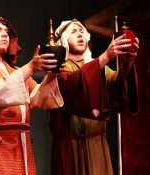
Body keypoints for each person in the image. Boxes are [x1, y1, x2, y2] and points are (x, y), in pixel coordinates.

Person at [0, 16, 64, 175]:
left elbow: (38, 98)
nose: (5, 34)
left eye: (7, 32)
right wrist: (30, 68)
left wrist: (52, 75)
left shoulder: (14, 70)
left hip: (20, 143)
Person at [48, 19, 139, 175]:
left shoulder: (100, 68)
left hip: (97, 146)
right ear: (64, 39)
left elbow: (120, 92)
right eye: (74, 31)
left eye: (82, 31)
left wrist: (128, 63)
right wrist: (107, 55)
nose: (80, 34)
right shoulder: (58, 68)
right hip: (70, 150)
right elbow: (70, 85)